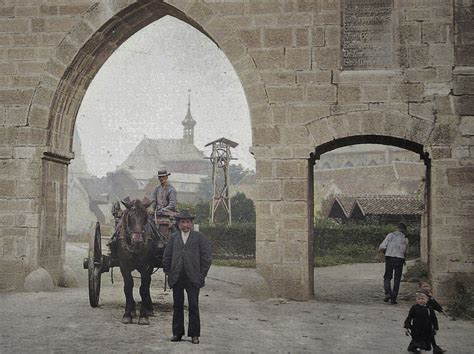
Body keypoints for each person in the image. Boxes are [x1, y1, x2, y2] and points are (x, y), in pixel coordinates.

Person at [163, 209, 212, 344]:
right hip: (177, 277)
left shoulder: (199, 237)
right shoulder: (173, 238)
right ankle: (177, 333)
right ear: (178, 224)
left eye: (188, 222)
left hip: (193, 278)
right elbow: (166, 257)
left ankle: (194, 334)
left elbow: (207, 258)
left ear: (191, 224)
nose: (185, 225)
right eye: (183, 222)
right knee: (177, 306)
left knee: (193, 306)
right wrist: (169, 272)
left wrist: (201, 275)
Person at [378, 222, 409, 304]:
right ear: (404, 230)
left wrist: (383, 253)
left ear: (397, 228)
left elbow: (382, 246)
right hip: (400, 259)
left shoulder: (390, 235)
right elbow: (405, 251)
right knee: (397, 279)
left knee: (387, 276)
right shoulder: (405, 239)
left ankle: (388, 293)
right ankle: (393, 298)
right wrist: (404, 259)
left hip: (389, 257)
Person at [419, 282, 446, 353]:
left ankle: (435, 348)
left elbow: (435, 304)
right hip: (422, 319)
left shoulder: (430, 296)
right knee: (422, 335)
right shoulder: (420, 296)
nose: (427, 288)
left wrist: (441, 310)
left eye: (428, 286)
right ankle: (416, 347)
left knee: (430, 334)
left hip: (430, 319)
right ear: (420, 287)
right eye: (424, 286)